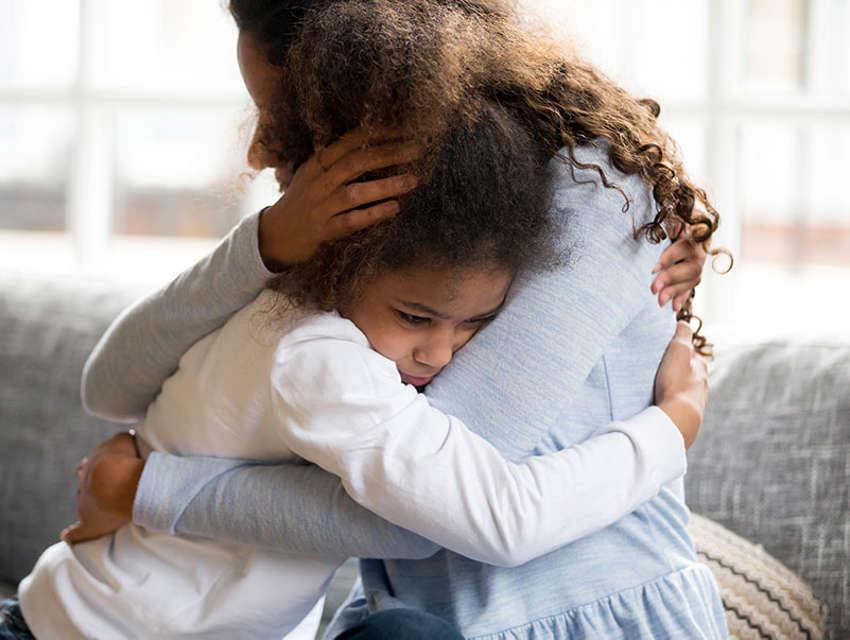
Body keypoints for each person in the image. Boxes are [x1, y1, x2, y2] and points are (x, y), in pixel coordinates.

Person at [27, 1, 728, 638]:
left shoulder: (592, 184)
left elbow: (449, 512)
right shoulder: (372, 237)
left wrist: (152, 489)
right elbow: (111, 384)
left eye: (282, 113)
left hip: (578, 616)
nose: (263, 149)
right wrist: (266, 242)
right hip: (411, 615)